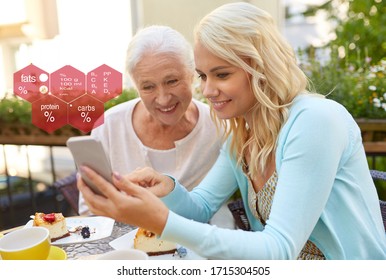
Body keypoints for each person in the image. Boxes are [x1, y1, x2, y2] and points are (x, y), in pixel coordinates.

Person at [77, 2, 386, 259]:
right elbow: (200, 208)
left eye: (221, 74)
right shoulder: (242, 134)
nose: (207, 90)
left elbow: (278, 249)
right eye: (202, 75)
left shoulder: (315, 120)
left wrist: (160, 220)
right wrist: (166, 189)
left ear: (261, 67)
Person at [78, 25, 224, 215]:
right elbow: (89, 210)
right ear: (135, 85)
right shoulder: (109, 125)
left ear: (191, 74)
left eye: (172, 81)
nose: (163, 99)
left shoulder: (218, 124)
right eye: (148, 87)